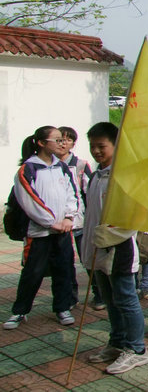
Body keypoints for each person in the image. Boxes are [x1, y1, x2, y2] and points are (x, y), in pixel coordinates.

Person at [81, 122, 148, 374]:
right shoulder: (96, 176)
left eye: (102, 146)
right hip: (97, 248)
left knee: (126, 299)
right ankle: (117, 342)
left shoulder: (125, 177)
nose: (96, 151)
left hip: (120, 249)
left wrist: (109, 235)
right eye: (93, 146)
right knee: (110, 299)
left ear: (116, 145)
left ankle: (137, 349)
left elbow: (136, 216)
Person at [4, 126, 78, 331]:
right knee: (32, 273)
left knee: (64, 270)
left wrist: (69, 217)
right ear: (42, 143)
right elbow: (29, 201)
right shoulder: (28, 169)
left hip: (62, 232)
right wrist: (50, 222)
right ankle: (20, 311)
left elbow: (72, 193)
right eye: (57, 140)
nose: (62, 143)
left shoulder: (61, 167)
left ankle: (63, 308)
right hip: (39, 233)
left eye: (63, 140)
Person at [55, 126, 98, 309]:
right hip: (59, 224)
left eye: (67, 140)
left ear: (73, 143)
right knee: (65, 262)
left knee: (87, 258)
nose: (63, 143)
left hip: (80, 220)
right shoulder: (51, 166)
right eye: (60, 140)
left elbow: (89, 192)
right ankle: (70, 297)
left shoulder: (80, 164)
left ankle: (98, 293)